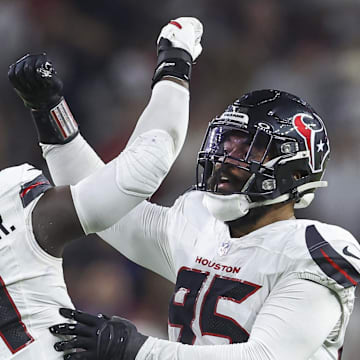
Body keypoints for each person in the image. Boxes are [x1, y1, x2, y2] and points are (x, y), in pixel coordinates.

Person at [13, 29, 360, 360]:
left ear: (297, 172)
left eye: (248, 150)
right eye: (226, 142)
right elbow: (104, 210)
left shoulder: (310, 250)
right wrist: (50, 113)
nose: (225, 159)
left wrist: (136, 350)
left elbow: (264, 355)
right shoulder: (200, 222)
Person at [3, 17, 203, 359]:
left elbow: (112, 206)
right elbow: (142, 170)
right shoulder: (10, 197)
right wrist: (175, 62)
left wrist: (49, 110)